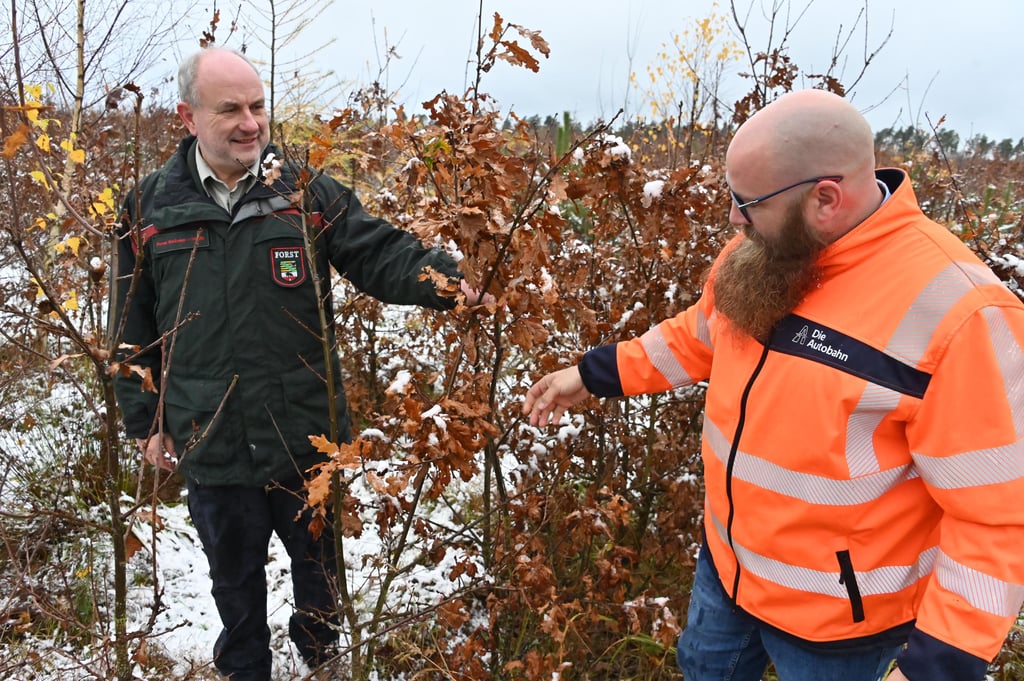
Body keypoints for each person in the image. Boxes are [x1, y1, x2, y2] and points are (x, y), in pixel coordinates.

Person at [523, 89, 1024, 681]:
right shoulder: (764, 249)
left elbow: (996, 517)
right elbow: (701, 335)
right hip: (728, 572)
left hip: (841, 627)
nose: (734, 218)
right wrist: (594, 374)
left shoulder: (959, 312)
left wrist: (936, 667)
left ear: (825, 198)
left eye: (747, 201)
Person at [111, 47, 487, 680]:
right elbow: (130, 326)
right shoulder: (150, 207)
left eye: (257, 106)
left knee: (321, 581)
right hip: (211, 435)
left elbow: (377, 252)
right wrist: (145, 420)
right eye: (230, 109)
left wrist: (446, 280)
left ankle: (324, 662)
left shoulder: (303, 190)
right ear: (187, 116)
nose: (251, 123)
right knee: (233, 584)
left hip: (305, 433)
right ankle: (247, 668)